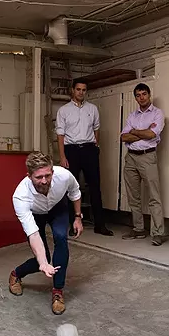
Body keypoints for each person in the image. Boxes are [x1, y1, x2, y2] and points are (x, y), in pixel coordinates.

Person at [8, 152, 83, 315]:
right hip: (36, 214)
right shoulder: (20, 196)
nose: (44, 181)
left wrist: (77, 217)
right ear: (29, 176)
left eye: (47, 175)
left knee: (61, 238)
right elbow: (33, 235)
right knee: (42, 259)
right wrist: (42, 263)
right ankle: (16, 274)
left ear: (53, 172)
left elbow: (75, 192)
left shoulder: (64, 176)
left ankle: (57, 292)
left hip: (58, 207)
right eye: (38, 177)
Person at [56, 78, 114, 237]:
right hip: (71, 150)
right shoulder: (64, 110)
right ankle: (72, 224)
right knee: (71, 188)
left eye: (83, 90)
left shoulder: (93, 109)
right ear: (72, 90)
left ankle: (100, 225)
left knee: (95, 187)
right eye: (78, 89)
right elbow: (60, 135)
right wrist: (62, 156)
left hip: (89, 149)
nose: (81, 92)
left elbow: (96, 129)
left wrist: (96, 146)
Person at [120, 83, 166, 245]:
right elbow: (123, 137)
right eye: (138, 95)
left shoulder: (157, 114)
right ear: (135, 98)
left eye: (144, 94)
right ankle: (138, 229)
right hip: (131, 157)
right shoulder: (132, 116)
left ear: (149, 95)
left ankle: (158, 232)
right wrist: (143, 133)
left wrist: (135, 132)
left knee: (154, 196)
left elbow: (152, 134)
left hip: (148, 157)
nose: (142, 97)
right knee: (133, 196)